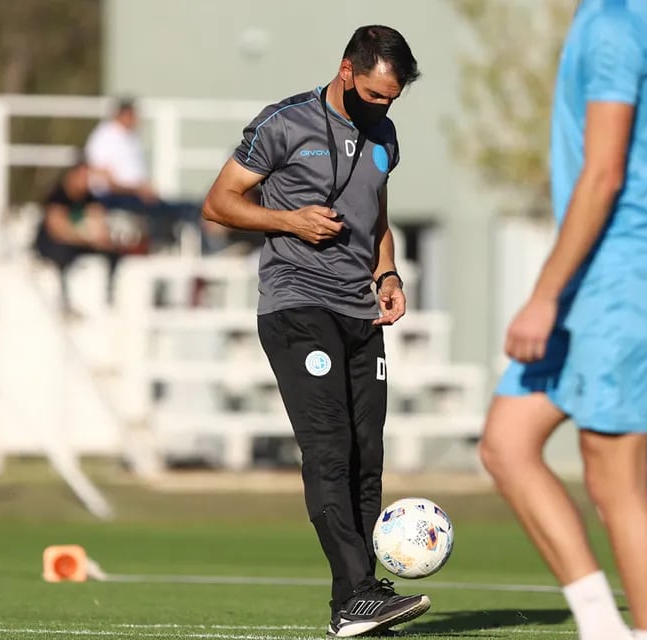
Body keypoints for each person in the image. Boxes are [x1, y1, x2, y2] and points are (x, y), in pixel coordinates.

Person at [202, 25, 429, 638]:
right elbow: (218, 204)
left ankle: (352, 606)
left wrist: (388, 272)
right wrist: (288, 220)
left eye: (394, 99)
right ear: (347, 70)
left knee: (366, 455)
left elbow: (376, 217)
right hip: (297, 305)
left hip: (360, 310)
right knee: (328, 450)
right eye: (376, 95)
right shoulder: (284, 123)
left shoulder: (385, 136)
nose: (383, 108)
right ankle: (360, 590)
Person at [479, 2, 647, 640]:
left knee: (613, 477)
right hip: (595, 273)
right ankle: (603, 628)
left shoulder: (613, 26)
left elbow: (603, 176)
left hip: (627, 270)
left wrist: (544, 295)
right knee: (507, 444)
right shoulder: (601, 18)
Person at [85, 97, 218, 252]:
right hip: (115, 197)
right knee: (176, 211)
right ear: (125, 114)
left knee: (186, 207)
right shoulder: (104, 138)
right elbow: (105, 181)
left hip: (135, 194)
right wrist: (137, 190)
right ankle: (201, 248)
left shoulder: (130, 138)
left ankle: (203, 245)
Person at [33, 158, 131, 314]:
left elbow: (98, 221)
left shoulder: (89, 198)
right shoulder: (58, 196)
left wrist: (99, 238)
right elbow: (58, 229)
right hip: (53, 245)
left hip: (79, 242)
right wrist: (85, 236)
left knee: (113, 253)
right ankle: (65, 304)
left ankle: (110, 298)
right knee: (61, 257)